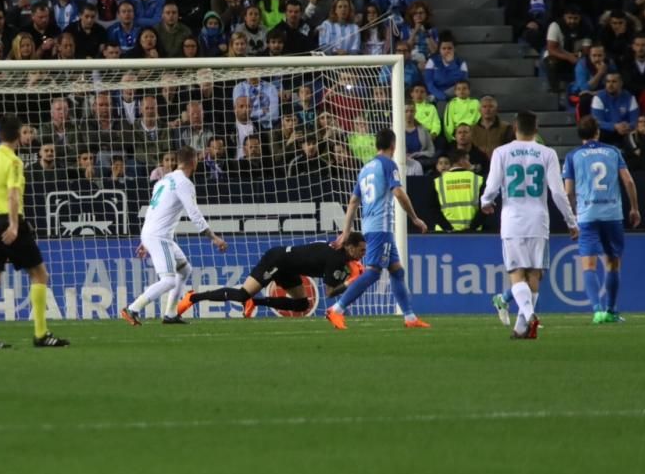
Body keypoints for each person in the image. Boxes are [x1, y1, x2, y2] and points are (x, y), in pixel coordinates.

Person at [480, 111, 577, 340]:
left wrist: (486, 202)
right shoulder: (547, 153)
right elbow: (558, 192)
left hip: (513, 221)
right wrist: (571, 221)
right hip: (538, 220)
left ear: (515, 127)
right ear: (537, 128)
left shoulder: (501, 152)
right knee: (534, 274)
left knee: (516, 273)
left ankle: (529, 315)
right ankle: (522, 329)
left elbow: (492, 185)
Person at [324, 129, 430, 331]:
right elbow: (398, 192)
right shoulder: (388, 164)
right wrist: (415, 218)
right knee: (373, 272)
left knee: (397, 271)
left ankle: (410, 317)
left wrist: (346, 232)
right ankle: (336, 309)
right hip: (381, 227)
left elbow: (354, 201)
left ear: (376, 145)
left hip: (371, 226)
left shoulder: (365, 168)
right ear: (394, 145)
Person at [0, 114, 67, 348]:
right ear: (18, 136)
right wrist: (15, 225)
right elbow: (12, 194)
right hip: (8, 221)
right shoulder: (14, 162)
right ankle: (40, 334)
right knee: (39, 274)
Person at [122, 146, 228, 326]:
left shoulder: (164, 180)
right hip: (159, 236)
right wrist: (214, 238)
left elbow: (153, 210)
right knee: (169, 280)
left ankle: (170, 314)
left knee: (184, 270)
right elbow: (194, 214)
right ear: (193, 162)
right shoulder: (184, 183)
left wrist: (144, 240)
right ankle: (132, 308)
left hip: (154, 233)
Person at [562, 116, 641, 324]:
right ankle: (611, 310)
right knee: (613, 263)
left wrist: (571, 218)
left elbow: (568, 192)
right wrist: (634, 208)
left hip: (587, 215)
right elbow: (629, 181)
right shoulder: (613, 152)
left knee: (588, 264)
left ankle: (597, 311)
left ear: (580, 135)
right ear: (597, 132)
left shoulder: (573, 156)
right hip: (612, 214)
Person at [177, 234, 368, 318]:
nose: (363, 254)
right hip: (277, 260)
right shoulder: (337, 258)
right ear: (350, 247)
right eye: (361, 250)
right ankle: (192, 297)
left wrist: (350, 276)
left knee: (302, 305)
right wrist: (352, 281)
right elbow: (330, 292)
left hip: (290, 267)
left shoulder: (341, 254)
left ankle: (256, 303)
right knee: (243, 294)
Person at [434, 149, 484, 232]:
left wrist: (448, 228)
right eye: (468, 160)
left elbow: (433, 210)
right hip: (473, 233)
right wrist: (472, 228)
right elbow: (485, 208)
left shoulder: (438, 181)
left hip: (444, 233)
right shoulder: (478, 180)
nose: (470, 164)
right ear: (462, 161)